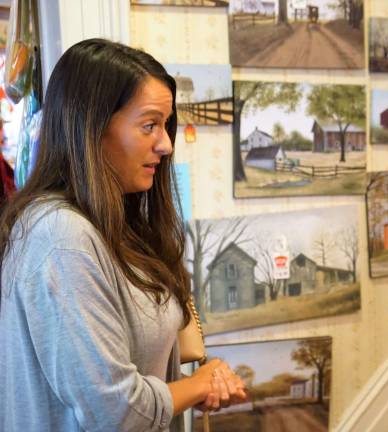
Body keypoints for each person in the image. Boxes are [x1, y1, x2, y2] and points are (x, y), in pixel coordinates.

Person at [0, 38, 246, 432]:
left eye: (165, 126)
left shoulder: (116, 224)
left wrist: (195, 385)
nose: (166, 144)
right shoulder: (60, 237)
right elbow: (114, 410)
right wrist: (199, 384)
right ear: (91, 128)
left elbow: (121, 386)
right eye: (149, 125)